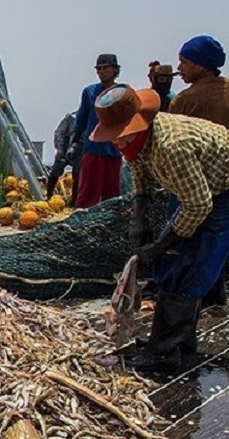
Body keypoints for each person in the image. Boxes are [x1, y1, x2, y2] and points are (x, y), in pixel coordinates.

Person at [90, 85, 229, 371]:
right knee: (174, 261)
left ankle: (166, 352)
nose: (117, 143)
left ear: (137, 126)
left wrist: (160, 245)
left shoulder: (171, 147)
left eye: (121, 137)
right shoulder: (137, 142)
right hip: (196, 187)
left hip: (222, 190)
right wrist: (138, 215)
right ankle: (170, 340)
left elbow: (199, 206)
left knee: (193, 264)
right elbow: (140, 172)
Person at [167, 35, 229, 307]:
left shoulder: (186, 100)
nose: (179, 69)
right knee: (215, 245)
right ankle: (213, 294)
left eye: (184, 63)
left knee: (185, 243)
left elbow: (167, 135)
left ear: (202, 66)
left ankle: (182, 305)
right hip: (225, 182)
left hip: (192, 181)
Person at [70, 53, 124, 208]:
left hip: (114, 150)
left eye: (105, 68)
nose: (101, 72)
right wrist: (73, 143)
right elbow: (81, 119)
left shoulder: (122, 92)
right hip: (93, 149)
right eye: (98, 69)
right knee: (87, 195)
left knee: (112, 197)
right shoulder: (90, 92)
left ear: (115, 70)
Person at [46, 110, 77, 201]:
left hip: (79, 148)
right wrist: (59, 149)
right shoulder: (71, 117)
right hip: (65, 146)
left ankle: (75, 201)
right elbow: (58, 132)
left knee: (78, 175)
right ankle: (49, 196)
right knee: (55, 172)